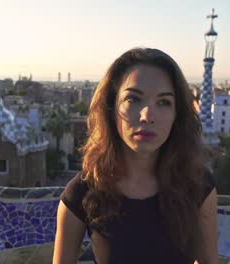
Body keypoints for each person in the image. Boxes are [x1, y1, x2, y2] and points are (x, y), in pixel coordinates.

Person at [53, 47, 218, 264]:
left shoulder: (198, 185)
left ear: (176, 115)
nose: (147, 115)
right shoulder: (82, 193)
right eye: (133, 99)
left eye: (163, 102)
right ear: (112, 108)